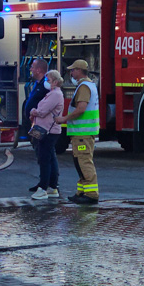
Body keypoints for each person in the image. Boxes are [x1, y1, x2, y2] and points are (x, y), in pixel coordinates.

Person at [54, 59, 100, 204]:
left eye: (73, 70)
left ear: (79, 71)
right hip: (82, 133)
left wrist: (64, 119)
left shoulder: (84, 87)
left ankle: (91, 194)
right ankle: (82, 191)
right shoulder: (88, 85)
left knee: (84, 161)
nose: (71, 73)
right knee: (79, 161)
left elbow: (81, 109)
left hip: (82, 133)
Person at [29, 70, 64, 199]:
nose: (46, 82)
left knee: (44, 159)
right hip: (45, 129)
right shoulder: (52, 93)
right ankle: (52, 187)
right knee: (50, 158)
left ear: (55, 81)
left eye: (48, 80)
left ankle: (43, 188)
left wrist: (33, 111)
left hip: (47, 131)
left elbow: (42, 111)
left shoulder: (55, 94)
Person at [22, 58, 49, 191]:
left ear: (39, 70)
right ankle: (43, 182)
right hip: (36, 125)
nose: (30, 69)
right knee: (39, 153)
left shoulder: (45, 85)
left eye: (32, 67)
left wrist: (33, 112)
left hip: (42, 127)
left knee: (45, 154)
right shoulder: (39, 84)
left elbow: (46, 107)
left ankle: (48, 184)